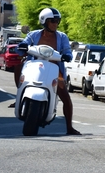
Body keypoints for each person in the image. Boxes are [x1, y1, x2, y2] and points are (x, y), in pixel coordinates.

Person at [13, 7, 81, 135]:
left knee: (65, 97)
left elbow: (67, 50)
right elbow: (23, 45)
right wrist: (21, 47)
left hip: (55, 71)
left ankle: (69, 127)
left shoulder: (62, 37)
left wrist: (67, 55)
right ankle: (20, 93)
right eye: (52, 21)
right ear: (44, 21)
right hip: (35, 67)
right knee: (19, 66)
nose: (55, 24)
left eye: (57, 21)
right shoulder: (33, 35)